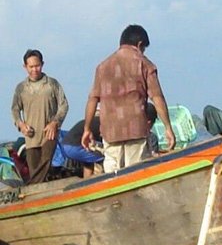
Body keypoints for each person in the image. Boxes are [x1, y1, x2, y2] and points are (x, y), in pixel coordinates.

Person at [81, 24, 176, 172]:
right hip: (136, 129)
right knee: (136, 173)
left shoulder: (102, 67)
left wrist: (87, 129)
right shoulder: (144, 64)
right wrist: (168, 128)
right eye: (143, 49)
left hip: (110, 131)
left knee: (111, 176)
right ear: (139, 45)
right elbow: (157, 97)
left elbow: (93, 99)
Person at [10, 49, 69, 184]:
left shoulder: (51, 84)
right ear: (25, 67)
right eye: (31, 67)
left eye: (37, 66)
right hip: (31, 137)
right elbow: (14, 109)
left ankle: (28, 188)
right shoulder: (21, 88)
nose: (34, 70)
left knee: (46, 161)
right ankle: (34, 192)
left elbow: (64, 105)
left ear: (42, 64)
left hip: (49, 133)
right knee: (35, 170)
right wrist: (21, 124)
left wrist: (55, 122)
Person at [61, 112, 103, 178]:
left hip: (65, 146)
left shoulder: (92, 121)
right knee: (106, 158)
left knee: (88, 161)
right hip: (74, 146)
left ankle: (87, 182)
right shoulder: (103, 123)